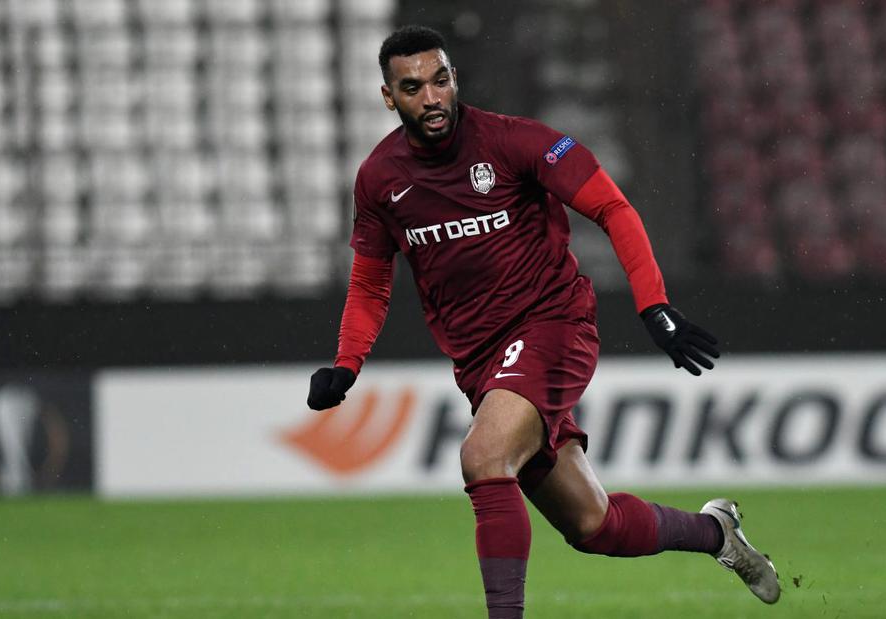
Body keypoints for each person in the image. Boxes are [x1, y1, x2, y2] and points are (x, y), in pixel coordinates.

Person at [306, 25, 780, 617]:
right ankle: (717, 534)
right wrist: (347, 364)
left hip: (553, 324)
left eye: (440, 80)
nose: (431, 97)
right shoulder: (380, 179)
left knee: (483, 457)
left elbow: (612, 207)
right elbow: (370, 282)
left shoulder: (515, 142)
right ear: (388, 97)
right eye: (412, 87)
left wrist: (653, 305)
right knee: (594, 525)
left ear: (454, 78)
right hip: (481, 363)